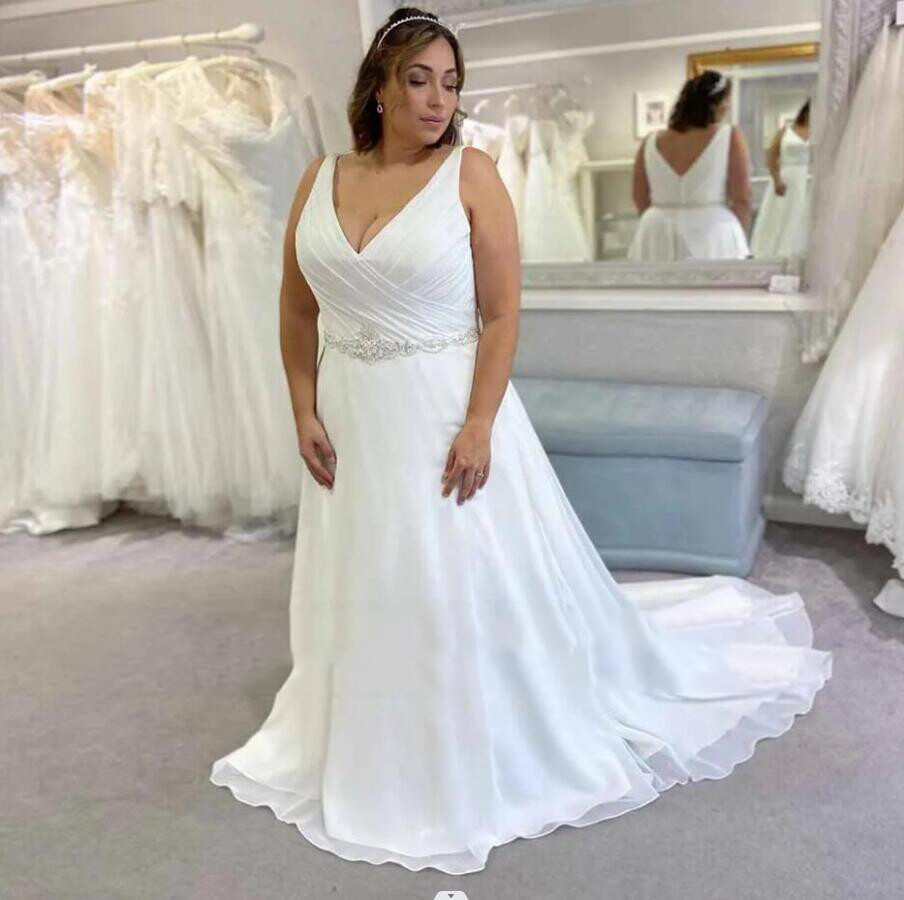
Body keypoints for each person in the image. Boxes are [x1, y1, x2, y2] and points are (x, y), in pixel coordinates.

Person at [209, 9, 832, 875]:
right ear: (379, 88)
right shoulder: (321, 178)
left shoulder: (472, 174)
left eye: (450, 82)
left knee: (456, 571)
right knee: (364, 568)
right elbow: (296, 306)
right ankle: (366, 720)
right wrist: (303, 408)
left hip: (441, 410)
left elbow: (502, 314)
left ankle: (462, 727)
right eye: (419, 79)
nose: (438, 99)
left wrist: (478, 423)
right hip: (351, 415)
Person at [628, 69, 752, 261]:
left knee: (657, 281)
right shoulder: (730, 136)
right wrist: (737, 236)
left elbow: (639, 197)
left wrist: (662, 219)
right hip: (713, 229)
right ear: (715, 104)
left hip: (656, 230)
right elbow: (742, 198)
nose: (727, 106)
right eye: (726, 100)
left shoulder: (650, 141)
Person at [750, 100, 812, 258]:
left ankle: (791, 252)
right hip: (785, 177)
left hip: (805, 180)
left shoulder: (817, 132)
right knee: (779, 215)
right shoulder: (785, 130)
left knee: (798, 215)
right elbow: (771, 156)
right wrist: (776, 179)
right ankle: (770, 253)